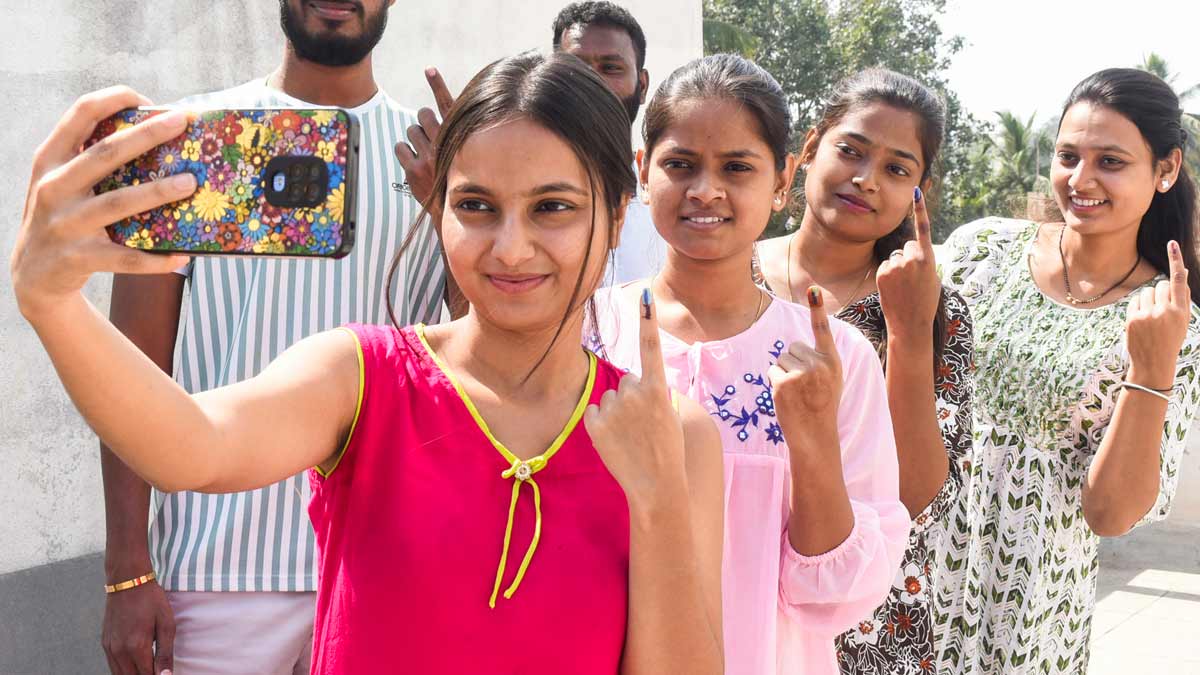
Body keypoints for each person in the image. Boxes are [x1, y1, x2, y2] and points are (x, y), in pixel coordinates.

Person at [11, 51, 724, 675]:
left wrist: (657, 503)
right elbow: (194, 444)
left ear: (619, 209)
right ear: (438, 205)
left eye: (553, 207)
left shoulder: (674, 433)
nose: (510, 247)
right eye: (475, 205)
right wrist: (54, 304)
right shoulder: (363, 376)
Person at [96, 2, 445, 672]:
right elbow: (133, 369)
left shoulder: (438, 155)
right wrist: (126, 569)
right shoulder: (187, 137)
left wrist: (457, 205)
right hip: (210, 573)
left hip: (383, 570)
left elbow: (475, 352)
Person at [590, 53, 910, 675]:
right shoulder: (588, 334)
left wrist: (812, 435)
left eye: (737, 167)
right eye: (680, 164)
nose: (706, 190)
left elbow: (835, 598)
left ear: (783, 178)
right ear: (642, 172)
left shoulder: (833, 359)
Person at [933, 67, 1200, 674]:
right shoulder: (982, 252)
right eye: (1067, 156)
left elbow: (1110, 514)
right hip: (911, 574)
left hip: (1027, 614)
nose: (1081, 180)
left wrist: (1152, 367)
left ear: (1164, 170)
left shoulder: (1170, 322)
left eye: (1111, 161)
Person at [753, 68, 974, 674]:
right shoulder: (729, 276)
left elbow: (917, 491)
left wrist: (905, 331)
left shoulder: (934, 307)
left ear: (919, 191)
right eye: (850, 150)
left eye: (897, 169)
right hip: (747, 607)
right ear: (808, 149)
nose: (866, 179)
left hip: (873, 625)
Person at [398, 1, 668, 288]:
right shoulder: (496, 194)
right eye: (575, 67)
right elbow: (481, 318)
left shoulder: (669, 204)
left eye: (610, 67)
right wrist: (450, 197)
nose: (592, 83)